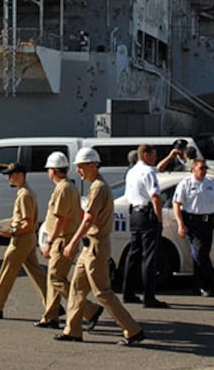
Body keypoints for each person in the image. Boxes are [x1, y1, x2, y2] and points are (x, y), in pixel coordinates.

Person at [53, 148, 145, 346]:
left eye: (81, 167)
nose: (78, 171)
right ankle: (73, 330)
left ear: (93, 166)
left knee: (102, 292)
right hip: (89, 247)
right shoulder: (96, 186)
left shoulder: (98, 188)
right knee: (76, 289)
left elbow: (88, 220)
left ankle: (132, 330)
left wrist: (71, 243)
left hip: (95, 247)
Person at [36, 152, 104, 330]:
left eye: (49, 169)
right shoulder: (68, 187)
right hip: (63, 238)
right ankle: (50, 316)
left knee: (55, 278)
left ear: (53, 171)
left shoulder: (63, 189)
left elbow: (60, 219)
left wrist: (50, 242)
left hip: (61, 239)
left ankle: (90, 310)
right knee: (54, 278)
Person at [0, 163, 47, 319]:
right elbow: (22, 219)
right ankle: (54, 305)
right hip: (27, 238)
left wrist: (11, 232)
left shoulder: (25, 195)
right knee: (37, 274)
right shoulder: (24, 192)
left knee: (6, 273)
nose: (8, 177)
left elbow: (27, 222)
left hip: (22, 239)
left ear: (21, 175)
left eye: (11, 174)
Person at [122, 143, 169, 308]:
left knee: (134, 254)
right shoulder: (148, 171)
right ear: (146, 155)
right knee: (149, 256)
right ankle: (149, 296)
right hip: (147, 213)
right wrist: (159, 218)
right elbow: (155, 196)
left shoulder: (132, 171)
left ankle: (128, 292)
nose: (155, 158)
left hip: (135, 213)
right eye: (154, 155)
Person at [173, 158, 214, 297]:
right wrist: (180, 224)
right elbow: (177, 204)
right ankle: (211, 277)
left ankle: (200, 285)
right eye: (201, 168)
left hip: (208, 223)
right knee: (199, 252)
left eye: (205, 168)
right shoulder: (185, 184)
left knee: (203, 253)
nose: (204, 171)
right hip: (193, 222)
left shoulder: (211, 184)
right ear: (193, 169)